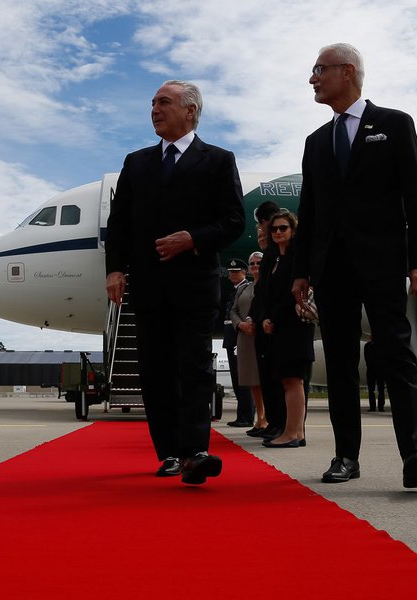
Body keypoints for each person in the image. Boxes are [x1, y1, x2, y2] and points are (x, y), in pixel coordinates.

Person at [291, 43, 417, 488]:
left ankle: (413, 452)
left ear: (347, 71)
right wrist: (300, 272)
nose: (312, 79)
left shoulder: (393, 124)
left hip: (382, 260)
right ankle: (345, 457)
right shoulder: (316, 142)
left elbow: (415, 196)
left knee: (395, 351)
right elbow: (309, 213)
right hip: (332, 268)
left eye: (319, 70)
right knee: (337, 360)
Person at [105, 80, 245, 485]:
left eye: (163, 102)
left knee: (195, 367)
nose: (154, 109)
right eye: (151, 103)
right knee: (156, 371)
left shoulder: (218, 160)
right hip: (148, 285)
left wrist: (194, 238)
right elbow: (119, 224)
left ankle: (195, 451)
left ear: (191, 111)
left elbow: (233, 221)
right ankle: (168, 452)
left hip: (196, 283)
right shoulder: (136, 162)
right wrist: (116, 269)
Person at [260, 211, 314, 448]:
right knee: (288, 380)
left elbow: (289, 295)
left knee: (293, 380)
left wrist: (275, 318)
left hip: (294, 326)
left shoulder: (297, 259)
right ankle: (297, 432)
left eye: (283, 228)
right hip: (280, 327)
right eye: (274, 229)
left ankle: (292, 433)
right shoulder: (274, 259)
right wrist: (266, 318)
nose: (278, 232)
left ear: (293, 230)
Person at [247, 202, 286, 440]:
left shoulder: (281, 254)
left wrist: (269, 316)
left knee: (280, 379)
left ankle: (283, 424)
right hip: (264, 322)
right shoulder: (270, 254)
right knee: (268, 377)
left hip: (274, 323)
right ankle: (273, 422)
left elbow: (276, 290)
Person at [231, 251, 267, 434]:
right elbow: (233, 310)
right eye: (252, 264)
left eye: (258, 263)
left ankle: (267, 419)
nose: (255, 267)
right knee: (253, 380)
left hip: (262, 336)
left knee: (265, 379)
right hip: (245, 336)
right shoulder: (243, 288)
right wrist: (241, 325)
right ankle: (260, 419)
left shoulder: (269, 285)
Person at [223, 257, 254, 427]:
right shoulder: (235, 289)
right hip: (231, 336)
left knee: (243, 379)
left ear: (244, 273)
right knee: (236, 378)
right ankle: (242, 415)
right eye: (231, 272)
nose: (233, 275)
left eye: (236, 272)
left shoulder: (245, 289)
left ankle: (247, 416)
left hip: (238, 336)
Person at [364, 339, 386, 412]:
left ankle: (381, 407)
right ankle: (372, 407)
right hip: (371, 370)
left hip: (380, 370)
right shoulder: (367, 346)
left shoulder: (381, 345)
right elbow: (366, 357)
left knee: (381, 390)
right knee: (371, 390)